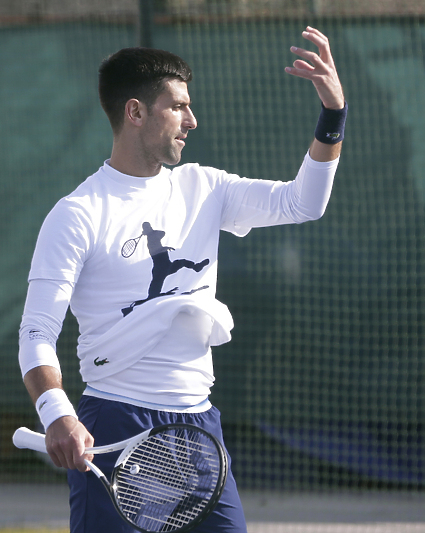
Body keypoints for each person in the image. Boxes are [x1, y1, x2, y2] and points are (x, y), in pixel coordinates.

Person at [18, 26, 346, 532]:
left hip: (200, 429)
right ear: (135, 112)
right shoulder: (77, 214)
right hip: (114, 424)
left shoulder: (205, 187)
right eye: (178, 107)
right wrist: (57, 413)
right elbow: (36, 334)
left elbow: (303, 202)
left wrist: (333, 115)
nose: (192, 120)